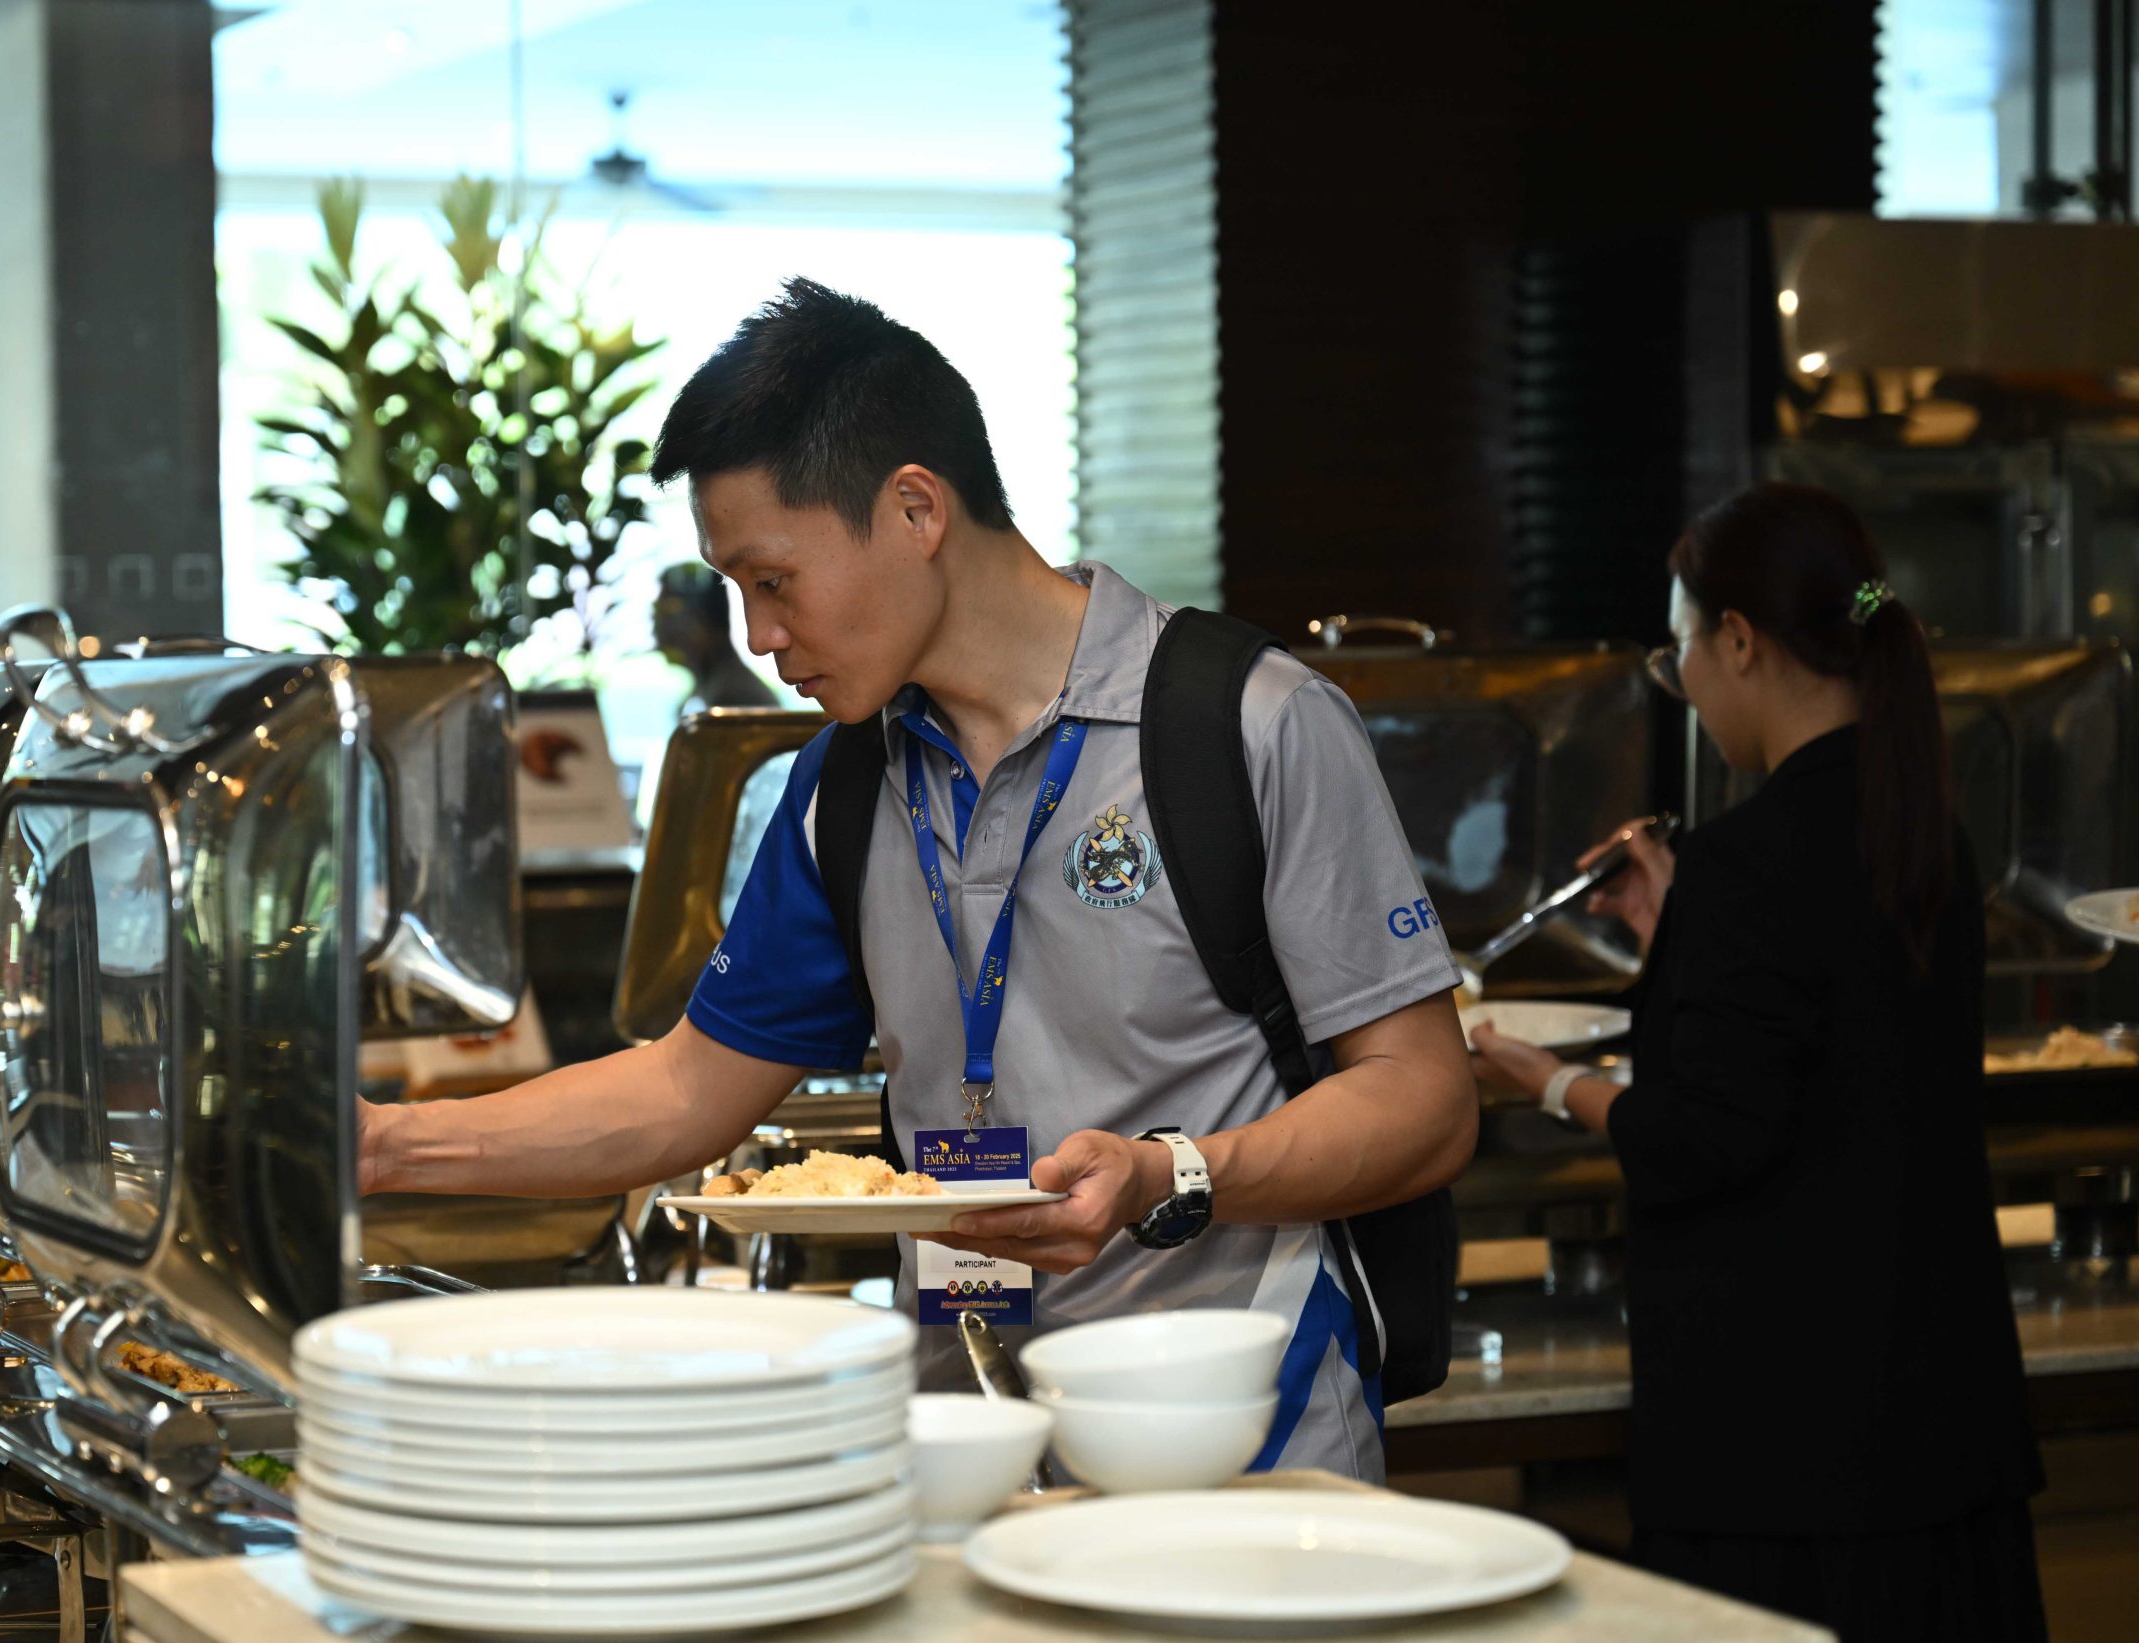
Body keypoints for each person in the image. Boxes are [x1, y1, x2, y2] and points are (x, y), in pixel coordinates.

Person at [360, 278, 1476, 1480]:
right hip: (965, 1455)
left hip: (1246, 1450)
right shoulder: (843, 786)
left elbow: (1423, 1101)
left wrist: (1169, 1175)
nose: (756, 637)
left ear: (913, 508)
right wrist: (377, 1147)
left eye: (771, 580)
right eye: (735, 590)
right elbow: (686, 1090)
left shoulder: (1246, 725)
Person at [1471, 484, 2054, 1643]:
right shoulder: (1918, 826)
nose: (1681, 680)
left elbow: (1701, 1135)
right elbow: (1834, 1050)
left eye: (1680, 649)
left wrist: (1545, 1076)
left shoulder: (1754, 856)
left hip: (1790, 1433)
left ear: (1737, 640)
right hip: (1930, 1400)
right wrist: (1682, 932)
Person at [655, 560, 780, 713]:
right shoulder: (713, 689)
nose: (657, 631)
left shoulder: (736, 696)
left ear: (701, 621)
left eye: (666, 616)